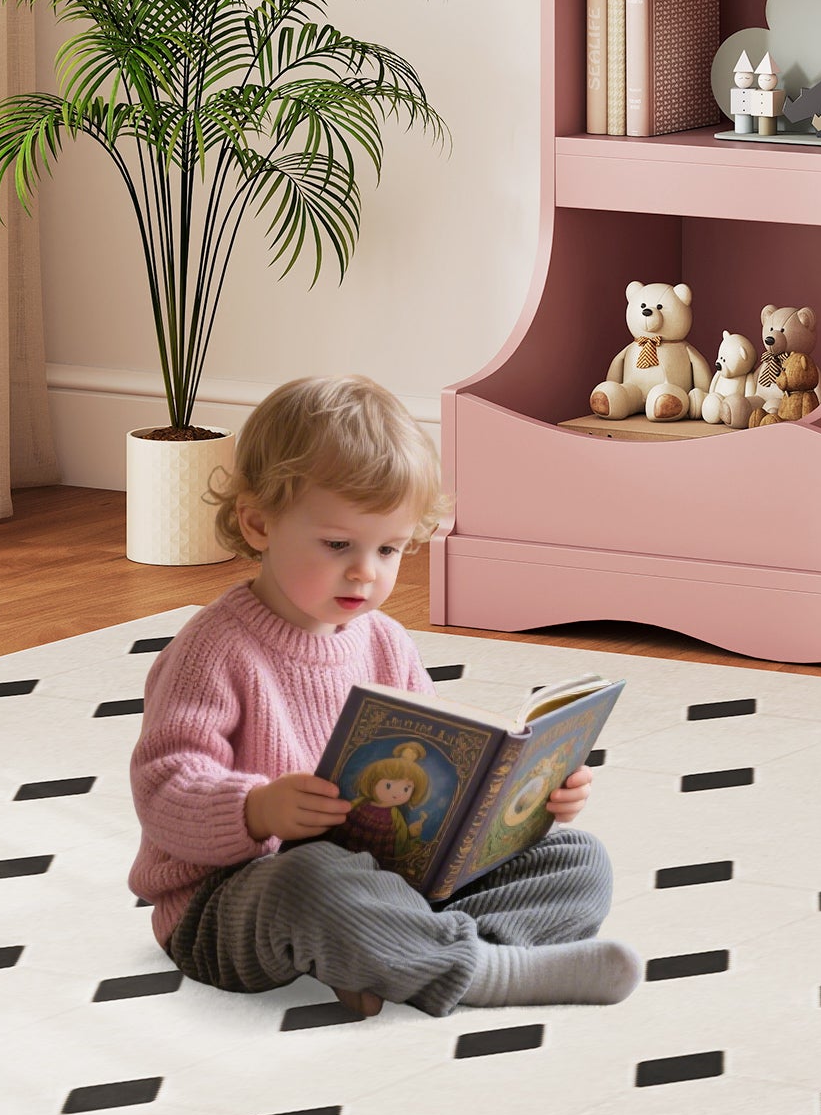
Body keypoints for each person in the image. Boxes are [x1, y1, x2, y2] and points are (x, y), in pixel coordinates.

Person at [127, 373, 642, 1019]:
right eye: (338, 544)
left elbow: (442, 768)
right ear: (258, 523)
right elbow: (162, 789)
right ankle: (479, 970)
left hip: (391, 882)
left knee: (580, 862)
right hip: (233, 900)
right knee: (314, 881)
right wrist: (256, 810)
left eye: (390, 548)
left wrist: (530, 798)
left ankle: (389, 955)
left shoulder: (387, 642)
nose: (365, 571)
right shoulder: (214, 649)